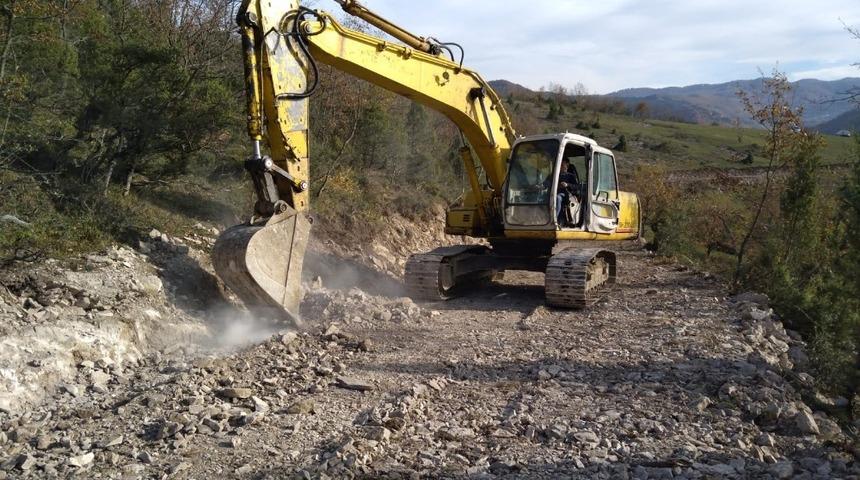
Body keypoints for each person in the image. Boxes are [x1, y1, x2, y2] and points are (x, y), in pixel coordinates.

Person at [555, 158, 580, 225]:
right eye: (559, 164)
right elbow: (546, 183)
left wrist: (567, 185)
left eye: (562, 164)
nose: (560, 166)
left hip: (566, 194)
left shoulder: (570, 176)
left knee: (558, 198)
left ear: (567, 165)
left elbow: (577, 187)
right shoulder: (554, 175)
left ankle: (555, 220)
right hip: (553, 193)